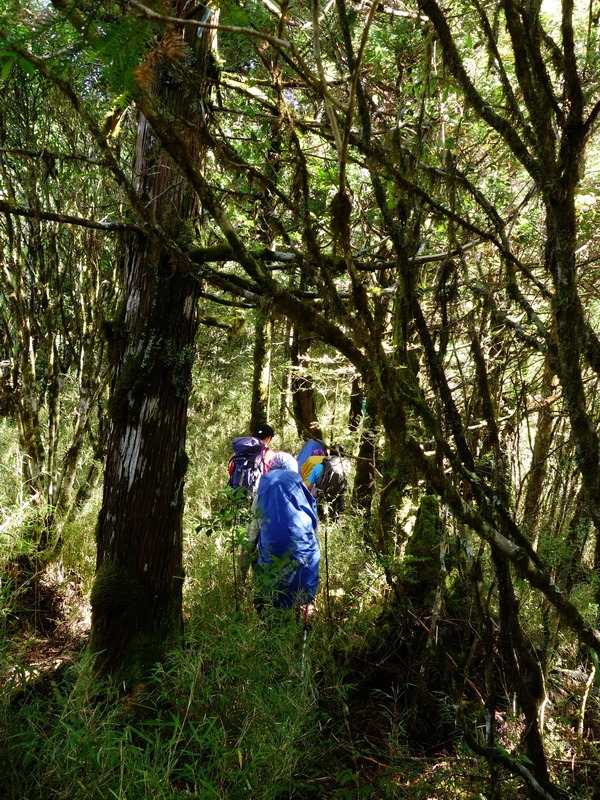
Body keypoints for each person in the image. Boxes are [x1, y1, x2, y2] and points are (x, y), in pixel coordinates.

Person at [246, 451, 320, 615]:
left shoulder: (263, 492)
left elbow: (251, 536)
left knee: (266, 604)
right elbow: (315, 533)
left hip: (272, 573)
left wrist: (242, 571)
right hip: (305, 571)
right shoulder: (303, 491)